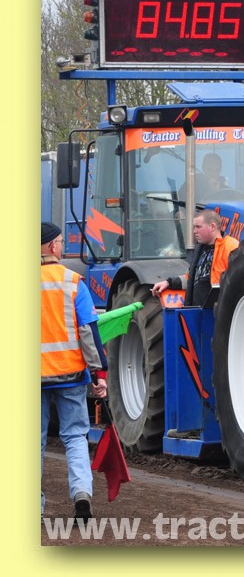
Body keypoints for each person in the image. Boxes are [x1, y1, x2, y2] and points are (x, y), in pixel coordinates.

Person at [41, 222, 107, 520]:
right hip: (70, 376)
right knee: (76, 436)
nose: (61, 246)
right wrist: (99, 375)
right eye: (59, 242)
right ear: (52, 247)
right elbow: (89, 333)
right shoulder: (73, 282)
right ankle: (81, 492)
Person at [150, 209, 239, 307]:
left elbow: (238, 284)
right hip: (197, 311)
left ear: (213, 227)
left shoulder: (230, 247)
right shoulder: (200, 249)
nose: (194, 231)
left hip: (217, 312)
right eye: (194, 227)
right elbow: (191, 279)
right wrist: (168, 283)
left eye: (198, 227)